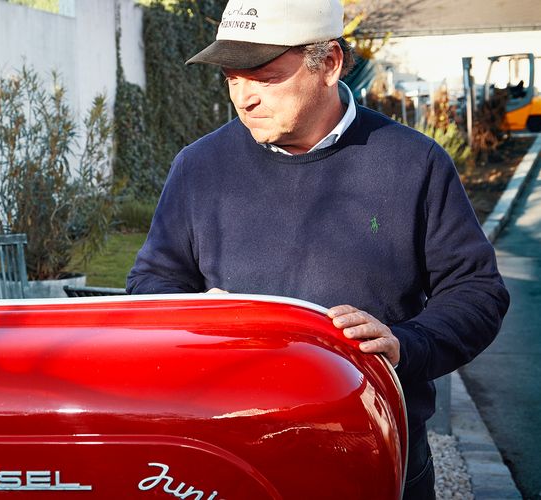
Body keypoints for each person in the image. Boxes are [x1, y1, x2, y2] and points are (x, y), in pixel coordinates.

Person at [125, 1, 510, 498]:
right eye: (231, 79)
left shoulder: (414, 163)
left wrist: (405, 344)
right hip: (229, 450)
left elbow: (476, 290)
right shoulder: (198, 167)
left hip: (374, 450)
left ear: (328, 63)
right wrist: (202, 316)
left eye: (265, 78)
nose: (244, 98)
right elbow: (152, 283)